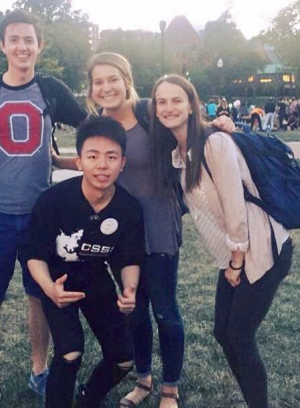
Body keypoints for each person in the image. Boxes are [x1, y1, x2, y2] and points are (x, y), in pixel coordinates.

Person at [82, 52, 233, 408]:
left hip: (159, 226)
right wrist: (55, 160)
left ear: (126, 80)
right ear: (91, 89)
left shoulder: (149, 112)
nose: (106, 87)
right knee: (134, 311)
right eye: (98, 81)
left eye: (113, 79)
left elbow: (187, 130)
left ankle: (170, 389)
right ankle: (144, 379)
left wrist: (219, 125)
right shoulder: (96, 124)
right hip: (121, 234)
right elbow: (92, 164)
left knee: (165, 311)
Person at [0, 9, 86, 407]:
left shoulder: (50, 88)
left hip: (40, 214)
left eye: (29, 40)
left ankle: (39, 371)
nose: (22, 47)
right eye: (14, 39)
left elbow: (91, 127)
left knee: (40, 297)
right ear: (2, 45)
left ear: (39, 45)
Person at [151, 74, 293, 408]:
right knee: (223, 333)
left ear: (191, 105)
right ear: (155, 109)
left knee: (239, 336)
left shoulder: (214, 143)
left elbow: (235, 206)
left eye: (176, 100)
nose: (169, 107)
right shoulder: (178, 154)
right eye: (161, 102)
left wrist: (236, 263)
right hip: (234, 254)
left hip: (262, 248)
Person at [21, 116, 145, 408]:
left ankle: (89, 397)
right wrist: (49, 289)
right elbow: (33, 255)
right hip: (57, 280)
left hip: (94, 276)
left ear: (122, 163)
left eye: (111, 157)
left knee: (124, 358)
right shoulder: (53, 200)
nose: (102, 165)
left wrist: (129, 289)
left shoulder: (128, 207)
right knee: (70, 352)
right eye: (93, 156)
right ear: (79, 161)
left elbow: (130, 257)